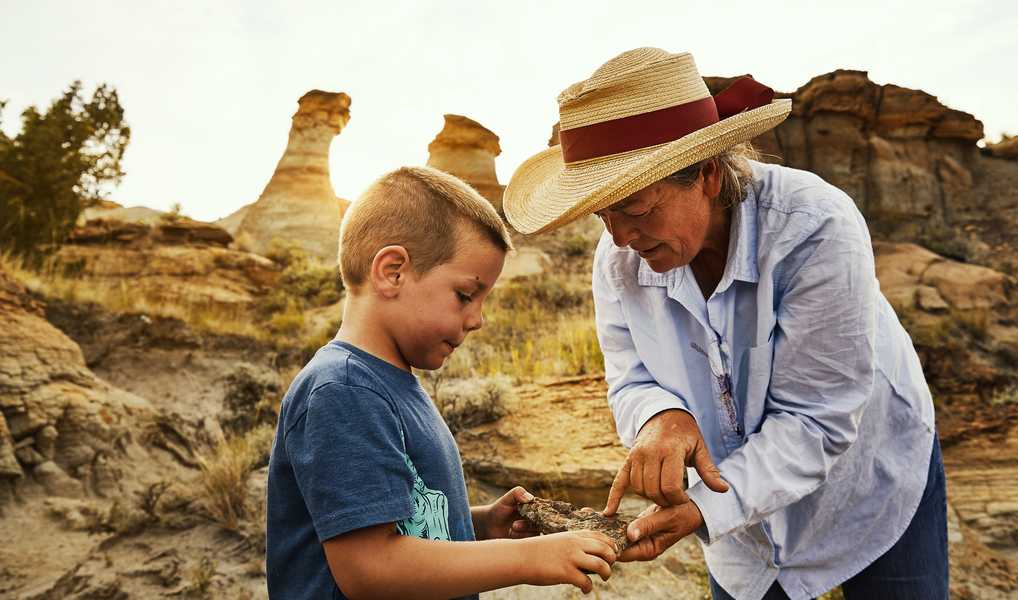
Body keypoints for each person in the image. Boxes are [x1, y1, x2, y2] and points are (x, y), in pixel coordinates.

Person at [503, 48, 948, 600]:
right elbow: (630, 376)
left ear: (708, 174)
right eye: (603, 214)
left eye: (636, 209)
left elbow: (817, 420)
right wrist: (661, 417)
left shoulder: (815, 228)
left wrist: (701, 506)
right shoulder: (617, 258)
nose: (618, 237)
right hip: (738, 528)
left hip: (869, 482)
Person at [266, 166, 618, 599]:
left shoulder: (393, 385)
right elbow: (370, 566)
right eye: (465, 295)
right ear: (392, 272)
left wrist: (478, 524)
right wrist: (533, 558)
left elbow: (403, 521)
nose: (477, 320)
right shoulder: (343, 390)